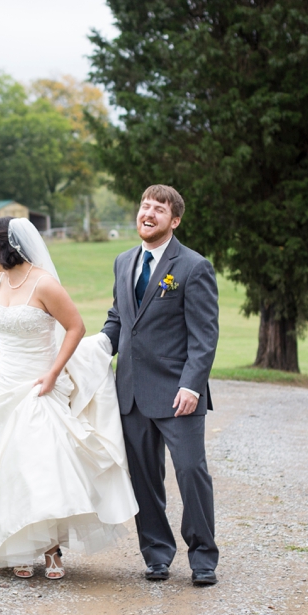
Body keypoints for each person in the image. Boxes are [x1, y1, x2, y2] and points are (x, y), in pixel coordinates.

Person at [0, 216, 138, 580]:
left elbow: (76, 326)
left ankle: (51, 549)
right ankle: (19, 546)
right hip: (5, 384)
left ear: (5, 248)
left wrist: (54, 372)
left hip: (37, 382)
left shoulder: (44, 283)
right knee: (6, 465)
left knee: (40, 464)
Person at [101, 184, 220, 586]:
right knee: (144, 480)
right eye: (143, 206)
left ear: (175, 220)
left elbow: (204, 336)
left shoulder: (193, 266)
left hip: (178, 393)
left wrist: (192, 385)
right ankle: (156, 554)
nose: (147, 213)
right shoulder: (122, 261)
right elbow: (119, 317)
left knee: (190, 472)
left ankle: (203, 557)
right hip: (131, 392)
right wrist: (95, 351)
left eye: (158, 209)